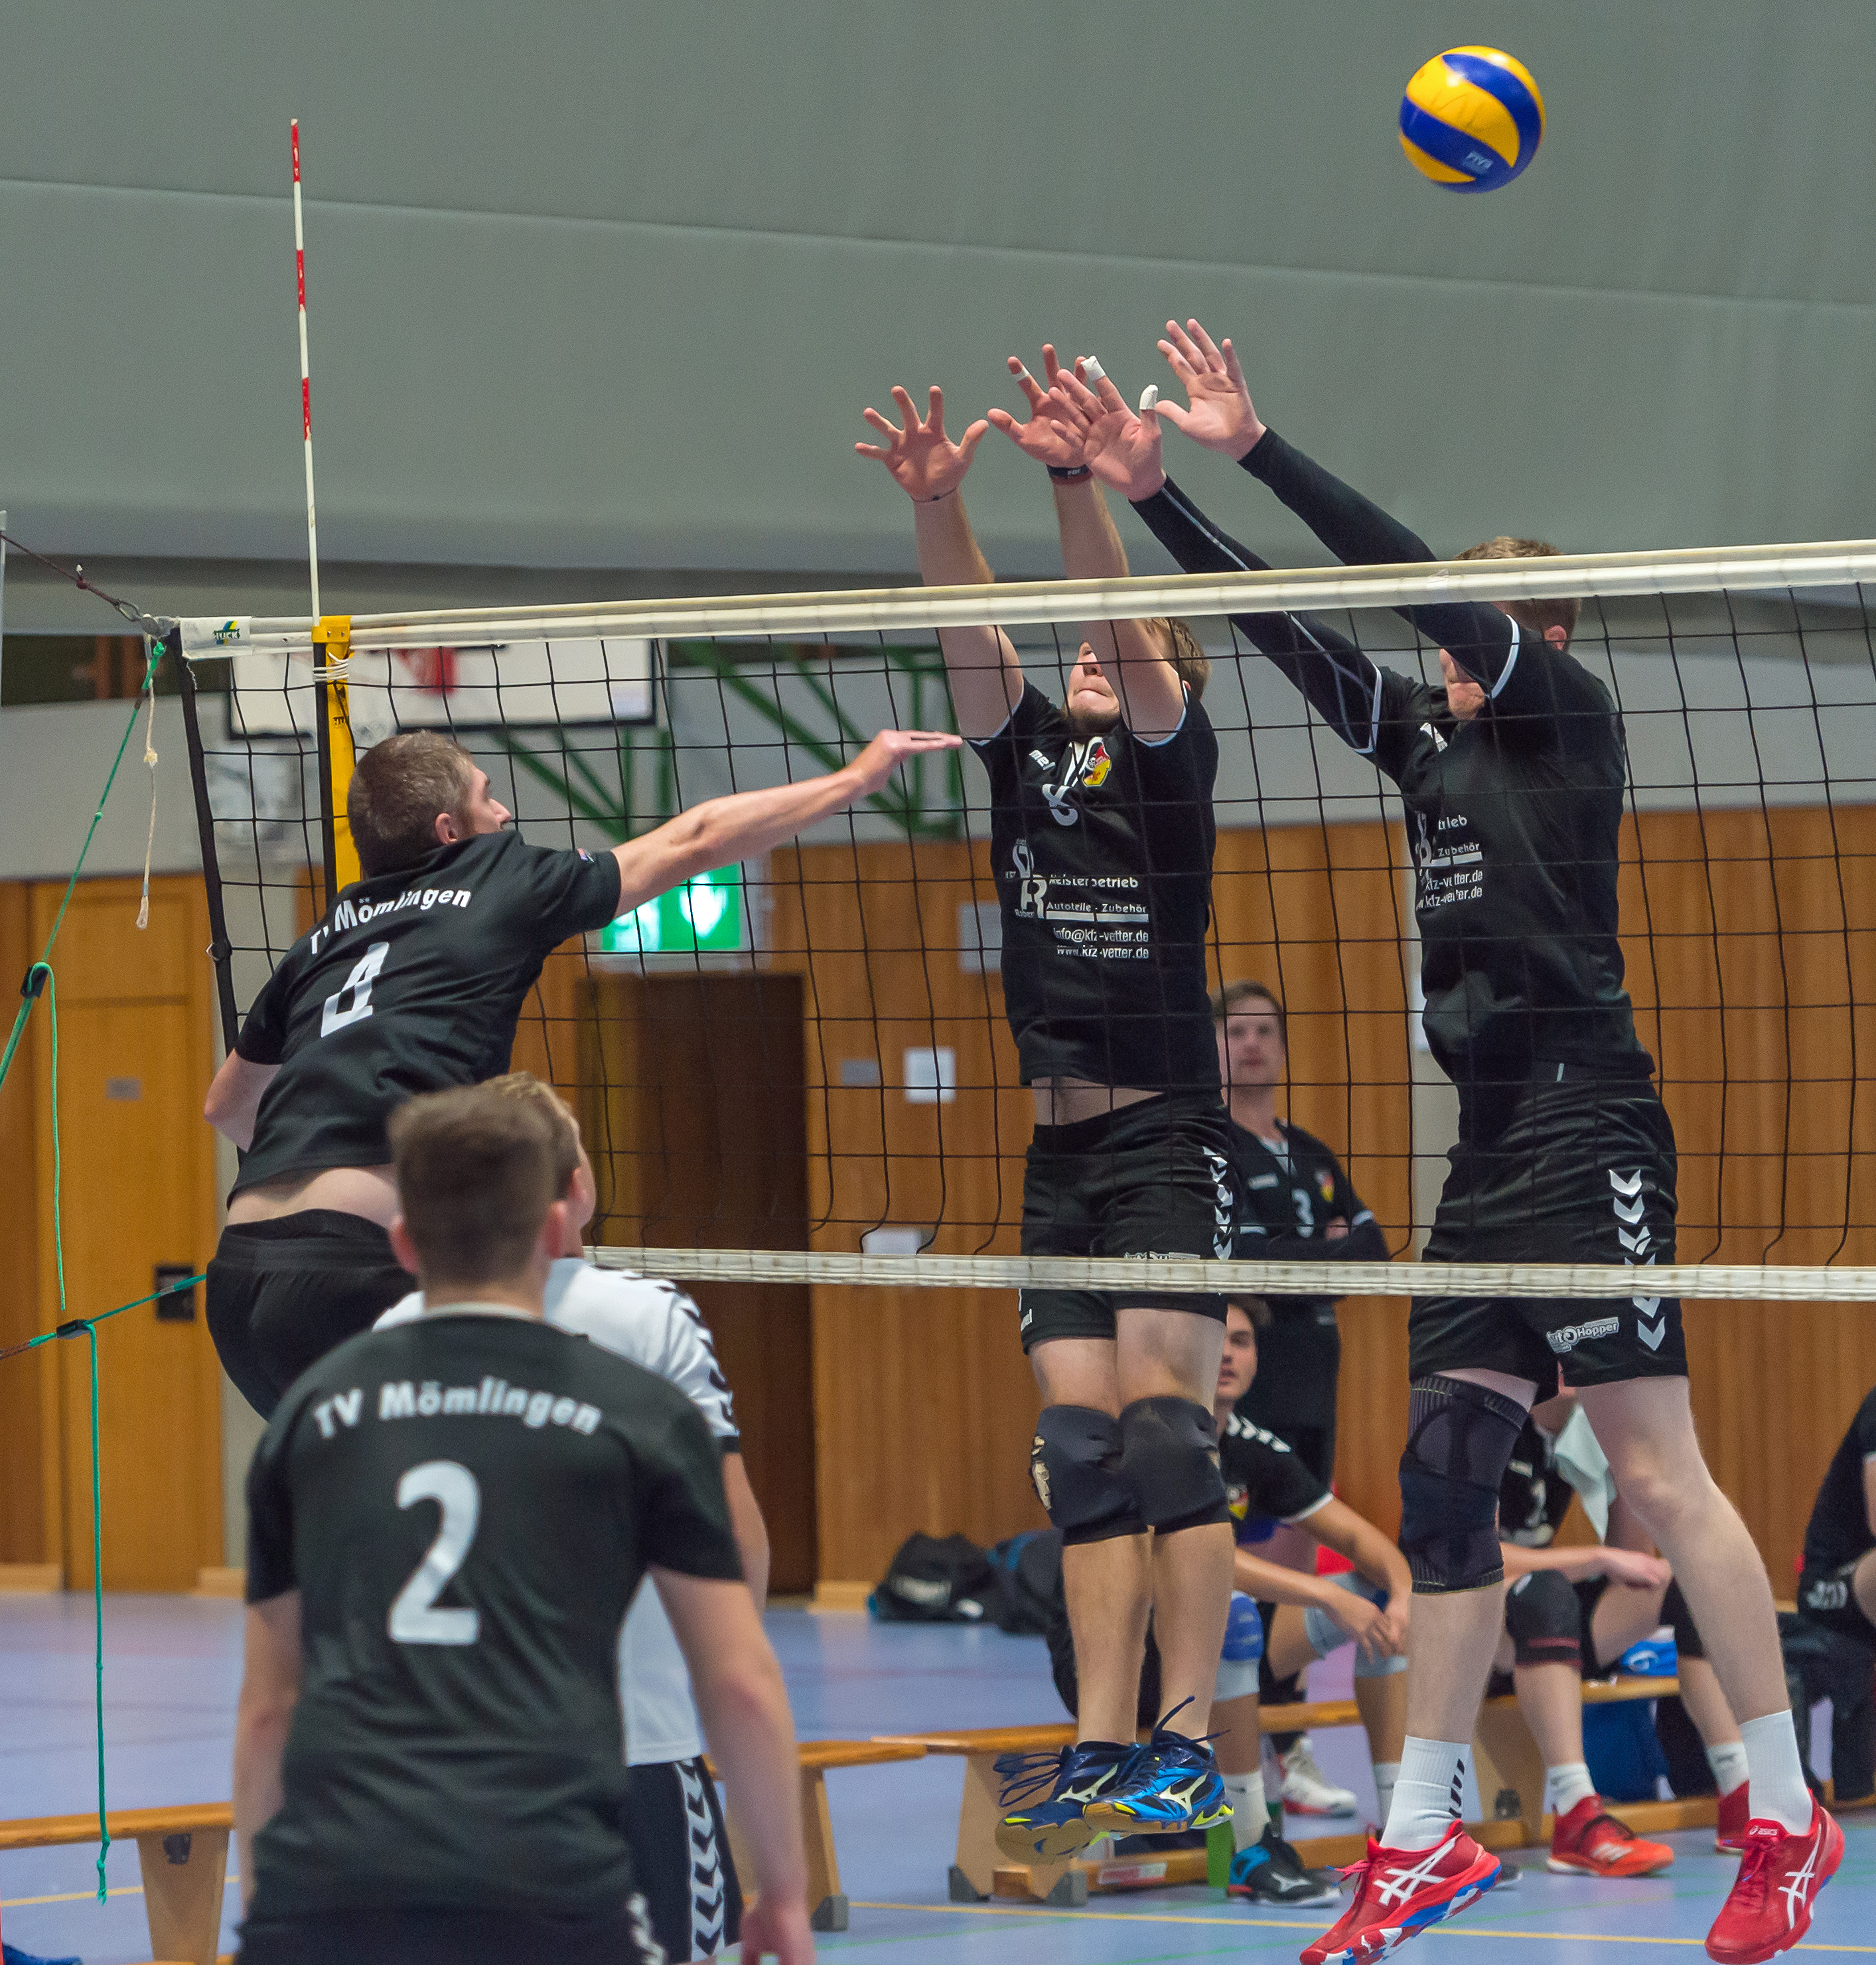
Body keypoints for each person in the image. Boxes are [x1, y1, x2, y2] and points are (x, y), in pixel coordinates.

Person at [1041, 326, 1838, 1964]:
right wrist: (1158, 493)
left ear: (1523, 635)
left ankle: (1777, 1807)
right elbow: (1278, 632)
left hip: (1588, 1116)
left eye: (1470, 638)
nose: (1446, 662)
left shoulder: (1563, 717)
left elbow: (1388, 578)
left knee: (1645, 1466)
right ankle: (1416, 1841)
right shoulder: (1426, 741)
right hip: (1482, 1154)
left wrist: (1257, 447)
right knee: (1443, 1472)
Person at [858, 352, 1236, 1860]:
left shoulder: (1167, 758)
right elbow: (968, 640)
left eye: (1112, 656)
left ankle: (1188, 1740)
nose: (1087, 665)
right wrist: (942, 510)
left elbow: (1117, 631)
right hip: (1054, 1146)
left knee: (1159, 1437)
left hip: (1160, 1134)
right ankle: (1098, 1738)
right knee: (1078, 1457)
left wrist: (1074, 483)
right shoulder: (1028, 761)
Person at [204, 721, 958, 1416]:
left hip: (238, 1282)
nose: (504, 814)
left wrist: (321, 1150)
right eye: (488, 796)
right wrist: (855, 778)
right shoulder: (495, 874)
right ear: (449, 831)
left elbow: (228, 1108)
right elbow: (692, 839)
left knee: (349, 1527)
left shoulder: (323, 938)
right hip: (356, 1276)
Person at [230, 1081, 811, 1965]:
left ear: (401, 1241)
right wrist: (783, 1887)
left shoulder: (322, 1401)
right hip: (587, 1798)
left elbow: (272, 1706)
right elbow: (738, 1663)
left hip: (351, 1838)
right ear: (558, 1219)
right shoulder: (633, 1385)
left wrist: (265, 1913)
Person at [375, 1073, 765, 1962]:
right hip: (636, 1745)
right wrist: (732, 1681)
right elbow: (732, 1525)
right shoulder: (647, 1313)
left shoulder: (393, 1329)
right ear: (576, 1190)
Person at [1214, 978, 1390, 1817]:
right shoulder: (1210, 1146)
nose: (1252, 1045)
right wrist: (1319, 1255)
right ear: (1215, 1046)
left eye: (1264, 1032)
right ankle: (1255, 1752)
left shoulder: (1311, 1152)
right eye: (1237, 1031)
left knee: (1291, 1566)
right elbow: (1249, 1261)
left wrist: (1308, 1257)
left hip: (1314, 1384)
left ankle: (1287, 1748)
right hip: (1247, 1384)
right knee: (1244, 1577)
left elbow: (1375, 1247)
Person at [1212, 1300, 1412, 1907]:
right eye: (1216, 1338)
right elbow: (1197, 1557)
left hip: (1225, 1645)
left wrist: (1401, 1594)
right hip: (1138, 1656)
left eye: (1242, 1341)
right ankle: (1250, 1847)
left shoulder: (1253, 1445)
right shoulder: (1156, 1437)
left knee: (1374, 1595)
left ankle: (1406, 1835)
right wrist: (1323, 1591)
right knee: (1232, 1609)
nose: (1227, 1353)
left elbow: (1361, 1540)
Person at [1494, 1386, 1680, 1877]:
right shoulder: (1491, 1419)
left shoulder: (1580, 1429)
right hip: (1474, 1625)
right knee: (1546, 1590)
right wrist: (1594, 1558)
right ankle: (1576, 1811)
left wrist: (1627, 1459)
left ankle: (1735, 1787)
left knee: (1678, 1588)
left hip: (1540, 1622)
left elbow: (1634, 1561)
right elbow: (1476, 1559)